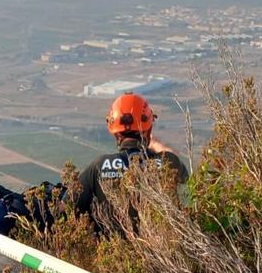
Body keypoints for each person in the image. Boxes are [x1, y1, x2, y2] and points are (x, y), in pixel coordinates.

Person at [73, 92, 188, 223]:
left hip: (112, 242)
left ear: (116, 134)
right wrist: (155, 144)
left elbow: (67, 207)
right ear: (148, 129)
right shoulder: (168, 162)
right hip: (163, 242)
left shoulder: (100, 166)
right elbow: (185, 180)